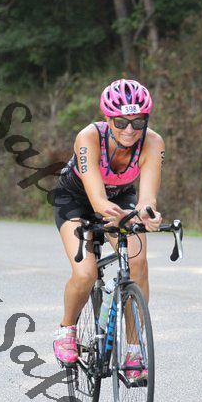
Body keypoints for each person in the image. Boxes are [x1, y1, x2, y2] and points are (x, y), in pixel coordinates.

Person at [53, 78, 164, 380]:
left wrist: (148, 214)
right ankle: (66, 329)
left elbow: (147, 198)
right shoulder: (88, 137)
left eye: (138, 121)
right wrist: (117, 214)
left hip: (119, 198)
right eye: (121, 122)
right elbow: (98, 200)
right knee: (86, 273)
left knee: (138, 261)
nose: (129, 129)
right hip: (77, 200)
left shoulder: (153, 142)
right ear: (107, 118)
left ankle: (134, 350)